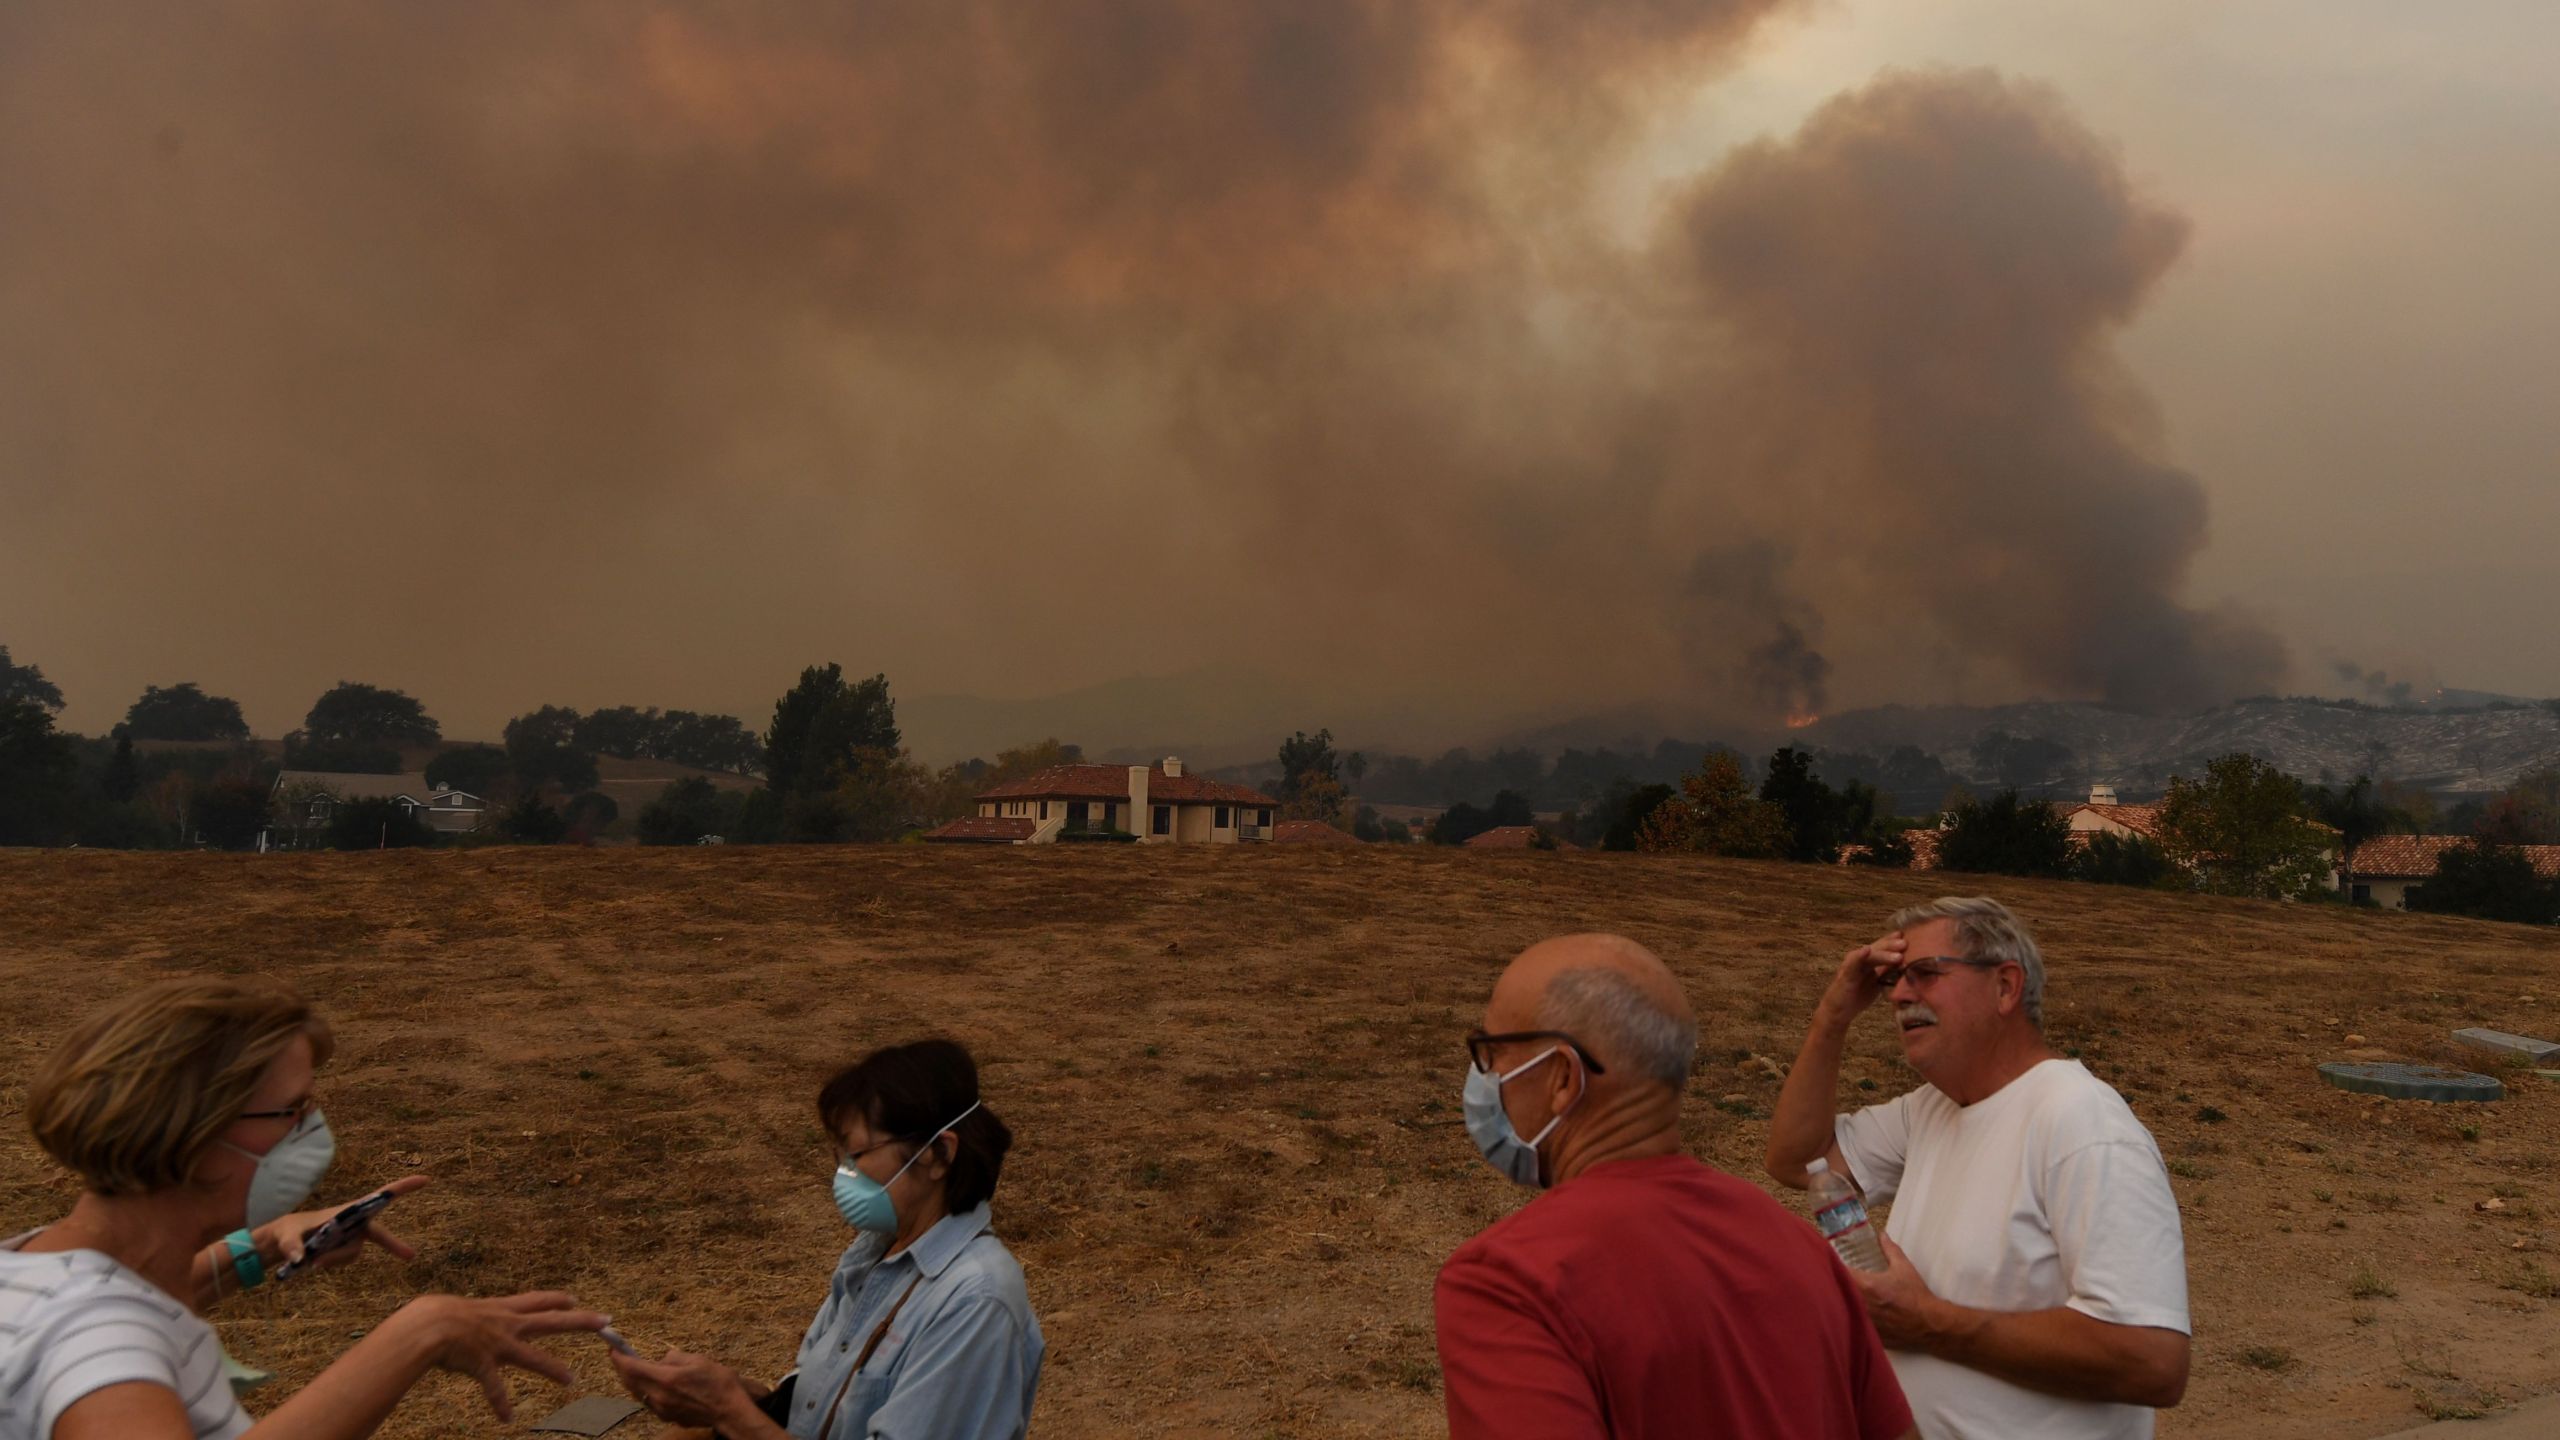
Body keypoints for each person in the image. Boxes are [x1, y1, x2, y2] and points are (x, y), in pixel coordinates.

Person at [2, 976, 607, 1440]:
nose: (312, 1130)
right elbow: (104, 1334)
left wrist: (261, 1246)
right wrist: (421, 1332)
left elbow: (127, 1302)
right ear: (193, 1137)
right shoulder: (98, 1337)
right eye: (291, 1110)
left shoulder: (38, 1267)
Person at [1434, 933, 1916, 1440]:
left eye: (1491, 1054)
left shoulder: (1507, 1284)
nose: (1483, 1078)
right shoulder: (1803, 1252)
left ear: (1561, 1079)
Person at [1766, 896, 2191, 1440]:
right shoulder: (1934, 1107)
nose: (1898, 995)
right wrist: (1833, 1016)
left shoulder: (2083, 1126)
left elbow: (2154, 1361)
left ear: (2005, 987)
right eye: (1894, 978)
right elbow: (1796, 1159)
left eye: (1924, 974)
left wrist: (1928, 1323)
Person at [611, 1038, 1041, 1440]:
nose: (843, 1174)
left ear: (939, 1154)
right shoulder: (873, 1253)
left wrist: (729, 1412)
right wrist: (734, 1397)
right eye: (839, 1156)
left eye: (856, 1155)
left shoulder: (976, 1302)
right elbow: (814, 1412)